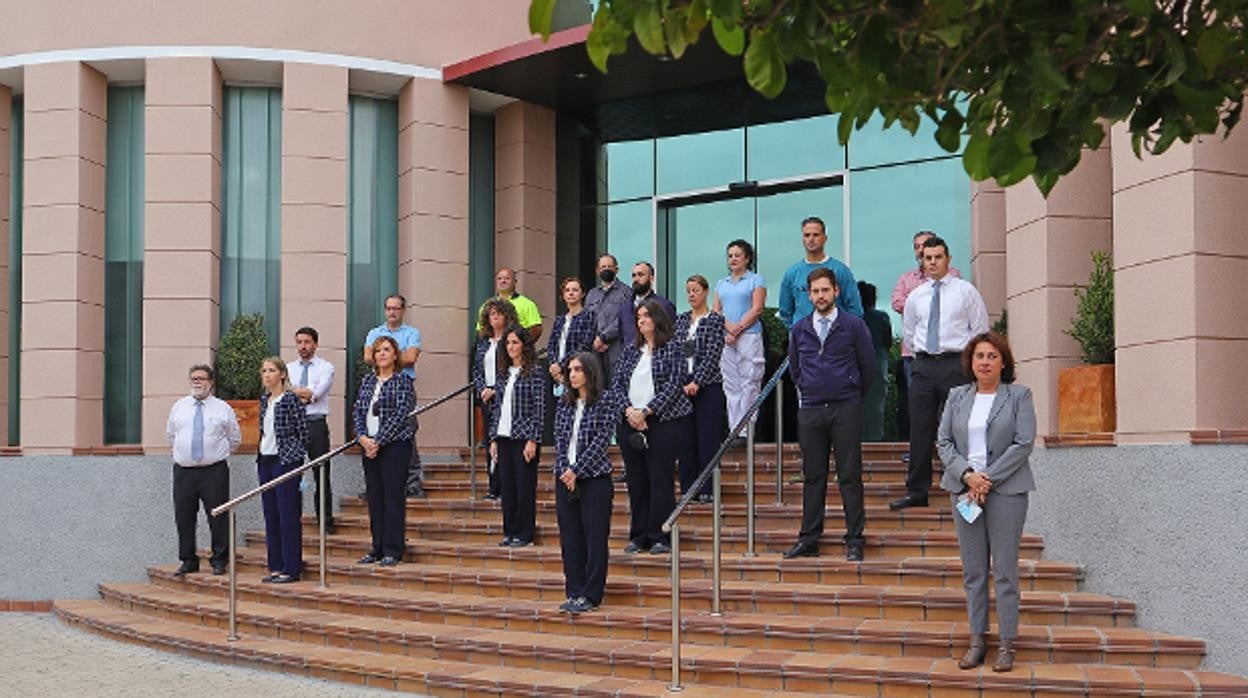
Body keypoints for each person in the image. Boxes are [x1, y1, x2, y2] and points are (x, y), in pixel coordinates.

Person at [938, 331, 1035, 673]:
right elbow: (944, 442)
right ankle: (978, 639)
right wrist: (968, 476)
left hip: (1005, 492)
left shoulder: (1019, 396)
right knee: (974, 571)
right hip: (965, 491)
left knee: (1005, 571)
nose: (985, 362)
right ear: (971, 361)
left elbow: (1023, 443)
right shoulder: (956, 397)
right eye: (980, 356)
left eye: (992, 356)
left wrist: (987, 478)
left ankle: (1007, 643)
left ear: (1003, 361)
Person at [782, 268, 876, 562]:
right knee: (813, 476)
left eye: (826, 290)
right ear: (808, 295)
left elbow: (868, 367)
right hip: (811, 409)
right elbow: (795, 369)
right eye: (815, 291)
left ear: (836, 291)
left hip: (845, 407)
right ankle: (809, 538)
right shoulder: (799, 330)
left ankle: (854, 538)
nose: (820, 296)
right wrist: (811, 388)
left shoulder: (854, 325)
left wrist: (850, 391)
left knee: (849, 475)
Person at [892, 236, 990, 511]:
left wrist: (969, 364)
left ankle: (964, 483)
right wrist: (924, 357)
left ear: (948, 259)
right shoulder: (916, 297)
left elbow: (980, 331)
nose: (932, 262)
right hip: (923, 365)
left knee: (959, 428)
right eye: (927, 257)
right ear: (921, 262)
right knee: (920, 428)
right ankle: (917, 490)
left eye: (937, 257)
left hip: (955, 364)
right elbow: (910, 335)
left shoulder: (965, 291)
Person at [613, 298, 692, 555]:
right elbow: (617, 385)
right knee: (637, 481)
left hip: (662, 422)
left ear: (658, 319)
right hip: (630, 422)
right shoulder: (630, 350)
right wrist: (629, 411)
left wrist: (647, 411)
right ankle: (639, 535)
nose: (642, 320)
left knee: (660, 480)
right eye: (639, 317)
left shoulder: (673, 347)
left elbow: (674, 384)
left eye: (646, 315)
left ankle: (661, 535)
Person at [553, 353, 617, 614]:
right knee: (571, 538)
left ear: (590, 372)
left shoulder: (605, 400)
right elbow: (559, 439)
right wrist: (565, 470)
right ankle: (574, 591)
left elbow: (602, 440)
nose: (573, 374)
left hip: (594, 479)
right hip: (565, 478)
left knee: (594, 538)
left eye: (578, 369)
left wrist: (577, 470)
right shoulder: (564, 403)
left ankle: (591, 594)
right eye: (570, 370)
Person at [166, 364, 242, 576]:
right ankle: (188, 560)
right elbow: (171, 435)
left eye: (201, 378)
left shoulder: (222, 408)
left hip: (213, 472)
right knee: (184, 517)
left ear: (211, 383)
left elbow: (234, 438)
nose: (196, 382)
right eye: (193, 378)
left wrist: (216, 453)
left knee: (218, 517)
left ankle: (219, 560)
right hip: (184, 471)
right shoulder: (179, 406)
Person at [353, 335, 415, 567]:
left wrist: (377, 441)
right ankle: (377, 547)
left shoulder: (402, 382)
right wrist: (362, 438)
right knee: (375, 499)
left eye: (386, 350)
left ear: (395, 355)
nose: (381, 354)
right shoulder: (368, 381)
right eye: (378, 350)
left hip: (394, 447)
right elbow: (358, 410)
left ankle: (393, 549)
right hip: (369, 447)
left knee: (392, 499)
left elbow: (400, 416)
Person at [488, 326, 545, 548]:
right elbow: (497, 408)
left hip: (524, 437)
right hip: (503, 436)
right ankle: (509, 531)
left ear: (524, 345)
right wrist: (492, 438)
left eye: (515, 342)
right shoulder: (503, 373)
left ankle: (524, 533)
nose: (511, 347)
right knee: (508, 487)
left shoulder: (534, 371)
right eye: (508, 343)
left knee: (524, 487)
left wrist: (533, 439)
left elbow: (538, 408)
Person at [364, 293, 426, 499]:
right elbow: (367, 357)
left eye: (396, 308)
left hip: (403, 387)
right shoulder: (374, 332)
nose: (392, 312)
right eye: (388, 308)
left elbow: (411, 357)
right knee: (375, 430)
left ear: (403, 310)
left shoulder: (412, 332)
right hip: (378, 385)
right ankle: (375, 482)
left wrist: (386, 356)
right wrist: (395, 355)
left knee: (406, 431)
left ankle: (412, 482)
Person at [256, 357, 309, 584]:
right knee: (271, 514)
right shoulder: (264, 400)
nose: (267, 375)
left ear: (282, 374)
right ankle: (276, 566)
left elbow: (304, 431)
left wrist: (297, 459)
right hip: (265, 461)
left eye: (271, 371)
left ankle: (291, 567)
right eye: (264, 371)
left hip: (285, 461)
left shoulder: (290, 400)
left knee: (287, 514)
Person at [675, 274, 725, 503]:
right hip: (684, 387)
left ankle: (707, 489)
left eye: (696, 290)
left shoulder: (714, 319)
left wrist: (698, 381)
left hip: (708, 386)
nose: (692, 295)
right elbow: (677, 353)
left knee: (708, 438)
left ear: (705, 292)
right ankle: (688, 488)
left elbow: (713, 353)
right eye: (689, 291)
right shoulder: (682, 321)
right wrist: (684, 381)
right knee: (685, 439)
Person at [891, 230, 962, 385]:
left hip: (948, 353)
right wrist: (919, 303)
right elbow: (897, 303)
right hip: (914, 353)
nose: (921, 250)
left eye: (924, 245)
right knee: (919, 402)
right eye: (916, 247)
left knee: (951, 403)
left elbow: (949, 301)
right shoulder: (906, 278)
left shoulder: (953, 276)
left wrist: (920, 300)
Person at [714, 239, 766, 444]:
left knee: (750, 381)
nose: (733, 259)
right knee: (731, 384)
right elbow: (717, 311)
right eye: (730, 255)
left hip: (749, 335)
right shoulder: (721, 283)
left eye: (737, 255)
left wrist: (739, 328)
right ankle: (735, 429)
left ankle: (748, 428)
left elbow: (757, 308)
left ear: (747, 258)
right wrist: (729, 328)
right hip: (727, 338)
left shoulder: (755, 280)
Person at [287, 326, 335, 532]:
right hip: (292, 426)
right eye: (299, 342)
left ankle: (325, 522)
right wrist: (303, 393)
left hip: (316, 423)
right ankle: (291, 520)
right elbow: (286, 395)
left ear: (315, 343)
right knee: (290, 473)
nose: (303, 346)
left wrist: (303, 393)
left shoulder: (326, 367)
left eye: (307, 342)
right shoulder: (288, 368)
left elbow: (316, 393)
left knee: (321, 473)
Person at [473, 299, 521, 500]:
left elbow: (511, 368)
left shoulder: (511, 341)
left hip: (505, 395)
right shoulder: (483, 342)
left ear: (507, 316)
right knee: (490, 442)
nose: (494, 317)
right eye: (491, 314)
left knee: (504, 441)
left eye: (498, 313)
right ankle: (494, 487)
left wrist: (496, 389)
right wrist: (482, 388)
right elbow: (476, 369)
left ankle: (507, 487)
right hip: (487, 397)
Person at [778, 216, 863, 327]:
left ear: (825, 238)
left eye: (816, 235)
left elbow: (855, 309)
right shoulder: (792, 273)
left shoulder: (840, 270)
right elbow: (785, 311)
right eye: (807, 235)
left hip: (835, 338)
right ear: (802, 239)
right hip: (804, 339)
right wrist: (796, 330)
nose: (811, 239)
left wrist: (844, 333)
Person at [584, 253, 632, 382]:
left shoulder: (626, 292)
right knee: (597, 387)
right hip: (595, 349)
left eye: (610, 266)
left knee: (617, 385)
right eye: (603, 266)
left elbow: (624, 320)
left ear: (616, 269)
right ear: (597, 270)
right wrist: (595, 340)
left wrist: (605, 338)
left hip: (617, 347)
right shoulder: (592, 294)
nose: (606, 269)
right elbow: (587, 320)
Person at [548, 277, 596, 394]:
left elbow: (584, 345)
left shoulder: (589, 316)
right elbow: (551, 345)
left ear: (582, 294)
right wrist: (555, 367)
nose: (571, 293)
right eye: (567, 290)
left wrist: (561, 365)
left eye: (575, 290)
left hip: (578, 371)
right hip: (558, 375)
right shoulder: (559, 320)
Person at [858, 282, 892, 441]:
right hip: (878, 361)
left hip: (856, 362)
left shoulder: (852, 318)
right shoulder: (881, 317)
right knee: (876, 404)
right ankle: (875, 438)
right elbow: (888, 342)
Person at [476, 267, 544, 342]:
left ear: (515, 282)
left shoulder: (527, 304)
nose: (503, 281)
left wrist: (522, 345)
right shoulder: (487, 305)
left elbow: (536, 329)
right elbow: (481, 331)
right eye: (499, 279)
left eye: (507, 278)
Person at [619, 261, 677, 346]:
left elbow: (672, 335)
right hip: (630, 357)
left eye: (641, 275)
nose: (636, 279)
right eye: (634, 275)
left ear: (651, 278)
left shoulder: (664, 305)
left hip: (656, 356)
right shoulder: (625, 308)